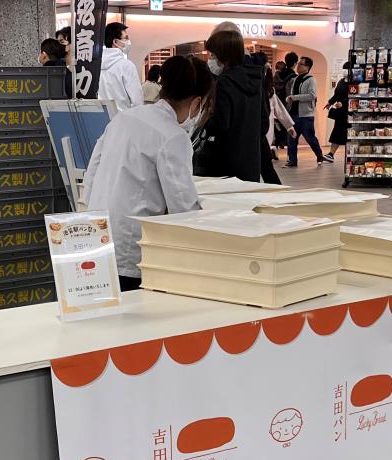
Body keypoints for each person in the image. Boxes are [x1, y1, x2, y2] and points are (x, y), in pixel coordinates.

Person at [82, 55, 213, 290]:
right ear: (196, 102)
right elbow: (183, 208)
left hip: (97, 235)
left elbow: (91, 174)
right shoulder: (173, 136)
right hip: (132, 248)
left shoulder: (123, 118)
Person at [194, 27, 265, 181]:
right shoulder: (257, 79)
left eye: (213, 55)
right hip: (251, 161)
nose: (211, 59)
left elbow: (221, 123)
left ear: (223, 54)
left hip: (226, 160)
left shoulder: (225, 81)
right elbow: (264, 122)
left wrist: (204, 122)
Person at [285, 55, 333, 167]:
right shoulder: (296, 79)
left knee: (310, 138)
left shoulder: (311, 80)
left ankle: (319, 155)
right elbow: (293, 94)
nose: (298, 66)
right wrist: (289, 98)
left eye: (300, 64)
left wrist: (295, 97)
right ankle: (292, 160)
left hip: (306, 115)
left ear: (307, 67)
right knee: (291, 138)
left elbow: (312, 95)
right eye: (298, 64)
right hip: (294, 114)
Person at [98, 21, 144, 109]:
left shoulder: (96, 66)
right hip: (123, 116)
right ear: (115, 41)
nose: (128, 42)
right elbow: (137, 101)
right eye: (126, 38)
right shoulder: (127, 66)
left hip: (102, 116)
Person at [263, 64, 294, 184]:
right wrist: (289, 125)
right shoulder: (269, 89)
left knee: (264, 165)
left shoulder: (268, 89)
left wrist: (289, 126)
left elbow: (278, 109)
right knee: (265, 166)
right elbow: (278, 109)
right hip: (265, 131)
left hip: (261, 132)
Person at [326, 72, 350, 155]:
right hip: (340, 112)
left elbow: (354, 95)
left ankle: (350, 154)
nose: (345, 71)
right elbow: (336, 95)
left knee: (349, 133)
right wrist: (330, 102)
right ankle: (331, 154)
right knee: (337, 131)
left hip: (349, 112)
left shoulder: (355, 82)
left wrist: (343, 103)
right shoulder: (341, 81)